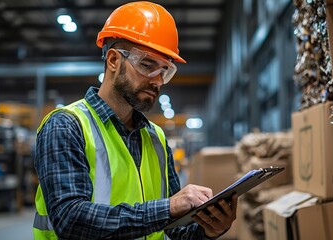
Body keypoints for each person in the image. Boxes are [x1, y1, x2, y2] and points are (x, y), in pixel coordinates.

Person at [32, 1, 238, 239]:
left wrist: (210, 228)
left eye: (165, 70)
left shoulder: (157, 139)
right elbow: (70, 220)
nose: (157, 81)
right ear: (113, 60)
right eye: (147, 65)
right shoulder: (66, 126)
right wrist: (168, 207)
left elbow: (175, 228)